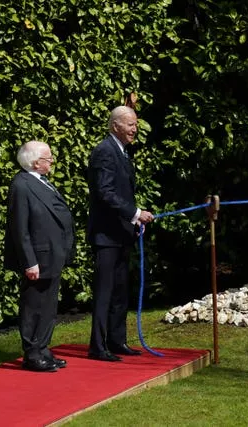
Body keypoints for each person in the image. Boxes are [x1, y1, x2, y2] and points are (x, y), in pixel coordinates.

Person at [87, 105, 154, 361]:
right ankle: (98, 345)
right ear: (115, 125)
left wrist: (134, 220)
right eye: (130, 125)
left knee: (119, 291)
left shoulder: (123, 152)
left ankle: (117, 341)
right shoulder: (104, 151)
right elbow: (104, 192)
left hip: (122, 233)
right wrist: (136, 213)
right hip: (106, 236)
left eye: (135, 124)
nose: (134, 129)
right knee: (104, 292)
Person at [4, 141, 75, 372]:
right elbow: (19, 228)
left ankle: (43, 348)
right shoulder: (21, 185)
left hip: (52, 255)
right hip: (38, 258)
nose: (51, 161)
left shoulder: (41, 182)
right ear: (35, 162)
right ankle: (32, 353)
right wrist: (29, 261)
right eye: (47, 158)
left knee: (48, 306)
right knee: (34, 305)